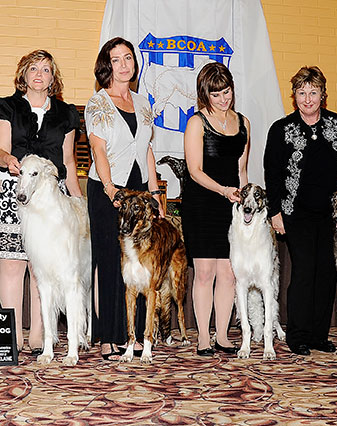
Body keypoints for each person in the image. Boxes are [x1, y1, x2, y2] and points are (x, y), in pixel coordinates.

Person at [263, 66, 337, 356]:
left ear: (322, 95)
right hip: (295, 213)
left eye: (313, 92)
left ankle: (318, 335)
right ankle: (298, 336)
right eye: (301, 93)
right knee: (303, 272)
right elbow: (272, 173)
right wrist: (275, 212)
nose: (307, 98)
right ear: (294, 96)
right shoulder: (281, 129)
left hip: (333, 216)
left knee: (326, 273)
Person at [85, 37, 163, 361]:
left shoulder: (144, 103)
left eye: (128, 57)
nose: (124, 64)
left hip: (138, 193)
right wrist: (110, 189)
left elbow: (146, 150)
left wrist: (156, 194)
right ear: (107, 66)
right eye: (116, 59)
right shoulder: (97, 103)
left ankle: (137, 336)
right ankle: (108, 337)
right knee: (109, 261)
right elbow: (98, 149)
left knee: (139, 264)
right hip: (107, 190)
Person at [0, 49, 82, 354]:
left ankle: (40, 335)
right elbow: (1, 149)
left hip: (52, 199)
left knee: (43, 268)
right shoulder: (7, 107)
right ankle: (11, 337)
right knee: (11, 266)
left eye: (46, 70)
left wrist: (78, 201)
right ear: (23, 75)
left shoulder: (66, 114)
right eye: (33, 68)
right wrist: (8, 159)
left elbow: (69, 163)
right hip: (13, 189)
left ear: (53, 78)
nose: (39, 74)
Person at [181, 62, 250, 356]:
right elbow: (194, 170)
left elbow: (242, 170)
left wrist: (246, 201)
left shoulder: (244, 123)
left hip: (233, 205)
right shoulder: (197, 122)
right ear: (204, 95)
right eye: (216, 94)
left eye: (227, 92)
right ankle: (203, 338)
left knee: (229, 273)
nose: (223, 99)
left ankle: (222, 335)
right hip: (202, 203)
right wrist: (222, 190)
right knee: (205, 271)